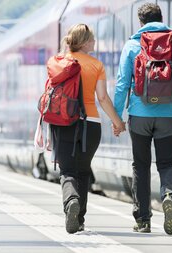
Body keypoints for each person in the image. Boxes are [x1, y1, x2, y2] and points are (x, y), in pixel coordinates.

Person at [113, 3, 172, 235]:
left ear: (140, 23)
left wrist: (116, 117)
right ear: (162, 19)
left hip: (139, 116)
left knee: (140, 167)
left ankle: (142, 220)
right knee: (167, 164)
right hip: (169, 116)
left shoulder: (132, 45)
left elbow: (122, 84)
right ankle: (170, 196)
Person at [52, 24, 125, 234]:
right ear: (84, 42)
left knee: (67, 171)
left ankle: (71, 202)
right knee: (83, 170)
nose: (94, 42)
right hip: (90, 124)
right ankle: (79, 219)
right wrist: (117, 122)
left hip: (63, 122)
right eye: (92, 39)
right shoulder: (96, 65)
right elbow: (102, 98)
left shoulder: (58, 62)